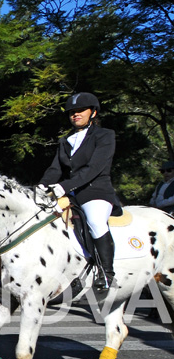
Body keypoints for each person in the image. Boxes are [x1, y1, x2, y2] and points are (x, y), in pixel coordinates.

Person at [38, 92, 122, 293]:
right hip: (71, 194)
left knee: (95, 221)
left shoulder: (105, 135)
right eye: (72, 112)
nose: (75, 115)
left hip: (96, 192)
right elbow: (55, 169)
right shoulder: (66, 140)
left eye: (80, 111)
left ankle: (106, 273)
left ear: (93, 112)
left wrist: (65, 186)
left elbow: (95, 168)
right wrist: (40, 187)